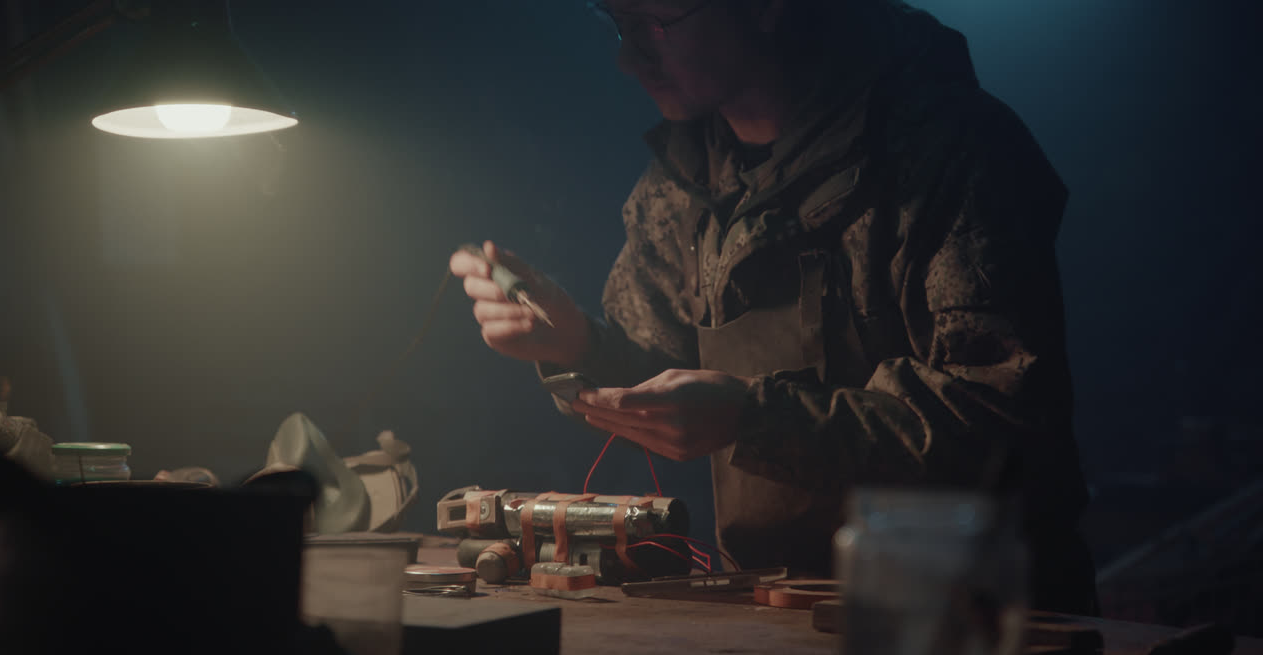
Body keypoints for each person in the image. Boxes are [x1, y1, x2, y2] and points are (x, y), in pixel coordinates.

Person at [450, 0, 1096, 613]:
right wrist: (576, 347)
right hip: (773, 621)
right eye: (617, 21)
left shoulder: (949, 153)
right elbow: (658, 378)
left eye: (655, 22)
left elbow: (997, 426)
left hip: (980, 634)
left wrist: (756, 419)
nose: (628, 57)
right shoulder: (690, 183)